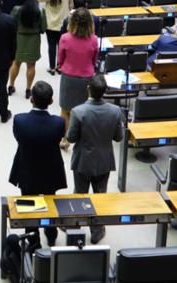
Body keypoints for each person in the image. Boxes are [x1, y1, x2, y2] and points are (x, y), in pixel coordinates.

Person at [66, 75, 123, 243]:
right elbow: (118, 137)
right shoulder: (115, 111)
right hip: (104, 161)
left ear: (88, 89)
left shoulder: (78, 111)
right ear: (105, 91)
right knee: (100, 196)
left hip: (83, 161)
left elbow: (71, 138)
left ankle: (74, 225)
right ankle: (97, 230)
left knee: (79, 195)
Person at [8, 81, 66, 247]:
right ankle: (51, 233)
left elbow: (19, 139)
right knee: (50, 202)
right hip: (51, 170)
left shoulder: (20, 121)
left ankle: (33, 240)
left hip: (27, 170)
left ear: (31, 99)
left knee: (29, 205)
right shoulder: (59, 123)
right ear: (51, 101)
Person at [56, 8, 99, 149]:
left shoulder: (65, 38)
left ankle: (65, 140)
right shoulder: (94, 39)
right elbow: (94, 60)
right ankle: (81, 140)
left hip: (69, 77)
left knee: (65, 110)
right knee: (84, 111)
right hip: (86, 78)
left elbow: (60, 59)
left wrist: (64, 66)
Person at [7, 0, 46, 98]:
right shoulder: (40, 11)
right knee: (31, 65)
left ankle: (11, 85)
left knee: (16, 63)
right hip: (33, 40)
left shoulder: (16, 9)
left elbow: (11, 24)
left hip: (19, 39)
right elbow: (43, 28)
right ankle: (28, 89)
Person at [39, 0, 74, 74]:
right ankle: (60, 66)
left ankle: (52, 67)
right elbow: (71, 5)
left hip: (50, 23)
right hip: (64, 23)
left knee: (51, 46)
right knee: (62, 45)